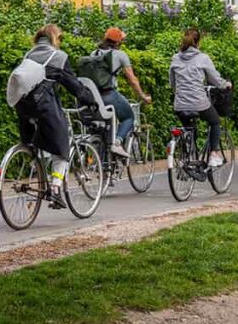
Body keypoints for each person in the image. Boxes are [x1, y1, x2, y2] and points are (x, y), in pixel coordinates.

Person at [12, 24, 97, 208]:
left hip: (22, 106)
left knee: (36, 143)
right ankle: (56, 189)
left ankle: (39, 169)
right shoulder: (58, 57)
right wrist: (90, 99)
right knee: (61, 148)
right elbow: (73, 85)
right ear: (55, 38)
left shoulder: (28, 55)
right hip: (45, 106)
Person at [170, 28, 231, 168]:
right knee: (215, 121)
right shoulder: (203, 58)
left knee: (189, 129)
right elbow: (215, 79)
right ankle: (214, 155)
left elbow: (172, 83)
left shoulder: (175, 58)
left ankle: (188, 158)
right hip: (198, 102)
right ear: (198, 43)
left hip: (179, 104)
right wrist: (225, 84)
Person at [89, 27, 152, 159]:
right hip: (109, 95)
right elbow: (133, 80)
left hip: (92, 97)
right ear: (118, 42)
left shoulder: (93, 53)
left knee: (105, 129)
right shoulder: (120, 55)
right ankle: (117, 143)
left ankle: (105, 166)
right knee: (128, 117)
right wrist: (143, 96)